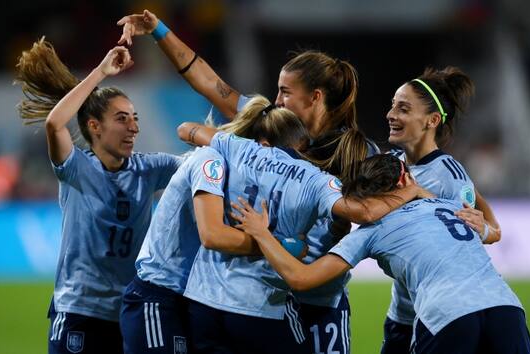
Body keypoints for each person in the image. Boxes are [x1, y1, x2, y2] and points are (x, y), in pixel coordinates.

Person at [117, 11, 378, 352]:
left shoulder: (354, 151)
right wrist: (159, 29)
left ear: (314, 97)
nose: (278, 100)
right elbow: (210, 83)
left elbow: (371, 207)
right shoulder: (270, 125)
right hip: (268, 294)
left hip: (318, 296)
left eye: (285, 92)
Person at [176, 96, 431, 353]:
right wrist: (410, 191)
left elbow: (186, 129)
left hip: (203, 302)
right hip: (258, 305)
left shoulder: (238, 148)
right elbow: (365, 213)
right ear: (304, 145)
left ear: (264, 139)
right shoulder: (315, 180)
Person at [232, 154, 530, 354]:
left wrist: (260, 232)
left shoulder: (371, 230)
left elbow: (301, 278)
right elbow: (491, 228)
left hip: (448, 315)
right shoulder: (449, 206)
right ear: (404, 180)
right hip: (506, 309)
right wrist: (485, 218)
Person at [15, 38, 182, 354]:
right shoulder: (77, 169)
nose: (133, 127)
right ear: (94, 126)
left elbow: (198, 167)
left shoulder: (150, 169)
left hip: (128, 311)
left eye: (135, 118)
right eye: (122, 119)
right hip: (79, 311)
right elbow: (54, 123)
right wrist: (101, 72)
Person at [383, 66, 502, 353]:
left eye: (403, 109)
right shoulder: (390, 163)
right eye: (392, 106)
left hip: (438, 312)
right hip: (404, 309)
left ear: (432, 120)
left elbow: (470, 228)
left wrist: (491, 230)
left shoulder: (448, 174)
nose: (390, 114)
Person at [120, 145, 264, 354]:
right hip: (158, 295)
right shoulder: (210, 160)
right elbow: (212, 236)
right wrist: (270, 245)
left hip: (191, 300)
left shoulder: (236, 171)